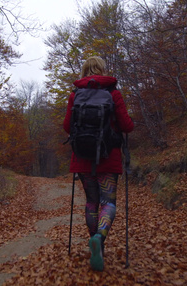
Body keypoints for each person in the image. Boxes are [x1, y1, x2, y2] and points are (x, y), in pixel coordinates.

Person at [63, 56, 134, 271]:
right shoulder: (113, 93)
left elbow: (67, 126)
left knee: (91, 202)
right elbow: (127, 126)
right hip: (108, 157)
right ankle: (99, 238)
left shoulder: (75, 95)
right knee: (108, 202)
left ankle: (97, 245)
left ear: (84, 71)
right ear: (102, 70)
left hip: (83, 158)